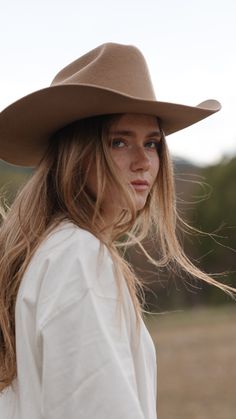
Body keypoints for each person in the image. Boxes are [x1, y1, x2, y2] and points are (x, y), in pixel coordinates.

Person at [0, 42, 235, 419]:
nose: (143, 161)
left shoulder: (49, 252)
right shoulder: (78, 255)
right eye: (119, 141)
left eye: (153, 143)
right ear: (77, 153)